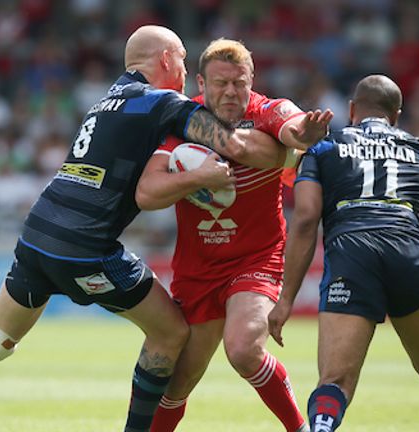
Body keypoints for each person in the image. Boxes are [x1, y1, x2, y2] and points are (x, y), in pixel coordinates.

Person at [0, 25, 297, 432]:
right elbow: (237, 146)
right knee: (171, 332)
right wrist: (290, 151)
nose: (184, 70)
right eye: (183, 60)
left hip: (37, 234)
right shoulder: (162, 102)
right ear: (165, 61)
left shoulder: (106, 100)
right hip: (85, 246)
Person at [268, 74, 419, 432]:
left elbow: (307, 219)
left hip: (352, 252)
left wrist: (285, 299)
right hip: (408, 249)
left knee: (336, 380)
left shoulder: (324, 149)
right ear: (397, 115)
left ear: (352, 109)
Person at [136, 38, 333, 432]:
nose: (230, 91)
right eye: (220, 82)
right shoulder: (181, 119)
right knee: (177, 383)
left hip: (256, 259)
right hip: (198, 269)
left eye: (239, 83)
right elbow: (147, 193)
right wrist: (199, 177)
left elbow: (291, 123)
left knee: (243, 349)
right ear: (200, 83)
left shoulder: (265, 111)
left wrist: (303, 134)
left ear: (252, 81)